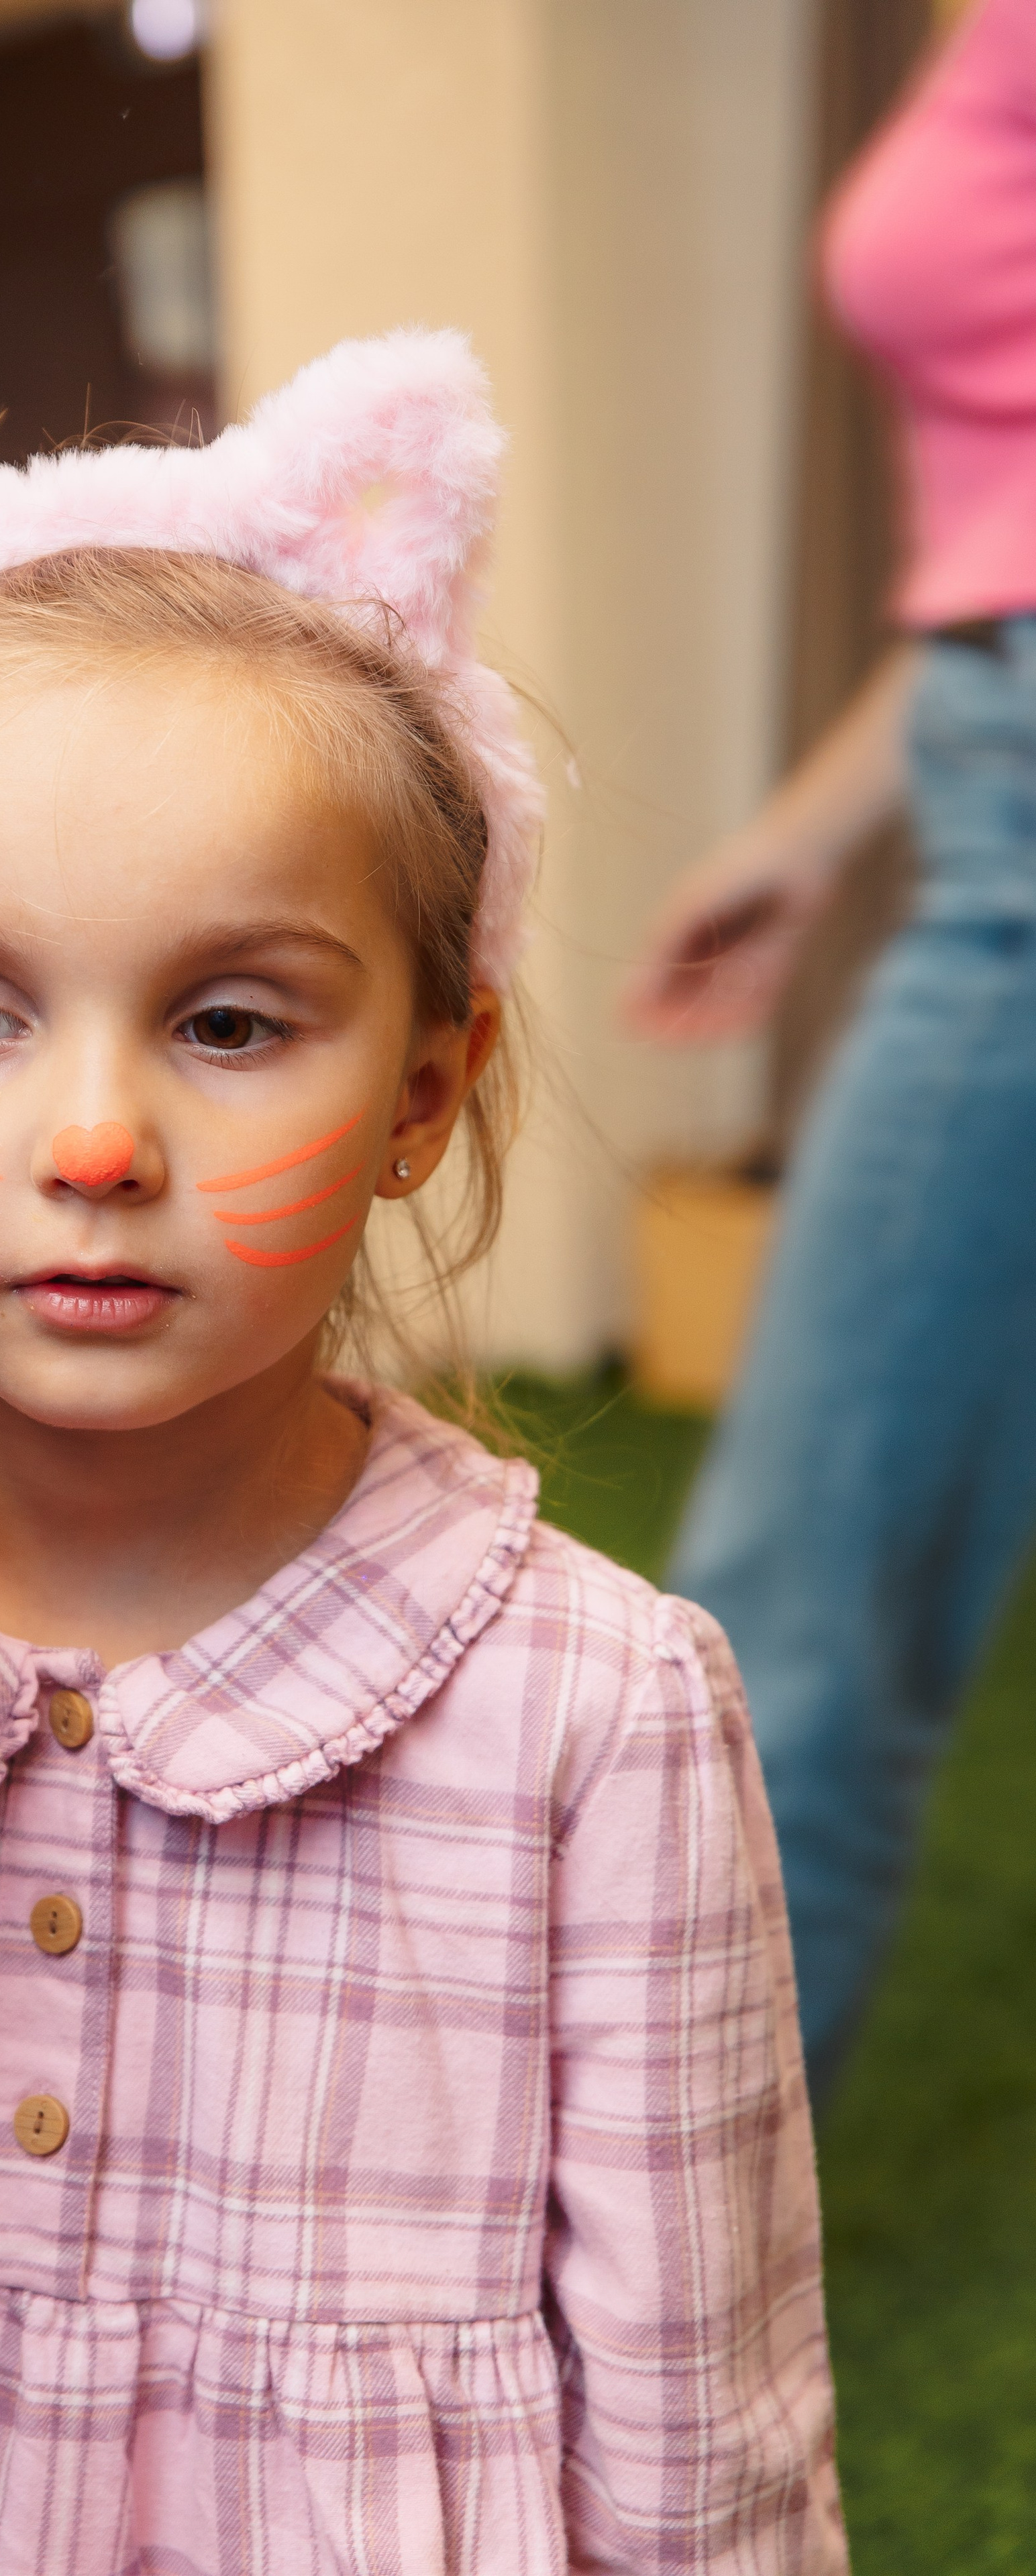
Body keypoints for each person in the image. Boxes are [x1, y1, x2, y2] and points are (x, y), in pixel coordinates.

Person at [0, 336, 841, 2571]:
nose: (97, 1141)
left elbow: (712, 2474)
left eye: (231, 1021)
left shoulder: (601, 1719)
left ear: (422, 1089)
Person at [625, 0, 1036, 2105]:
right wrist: (806, 839)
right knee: (807, 1587)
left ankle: (615, 2277)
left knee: (790, 1619)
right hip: (985, 788)